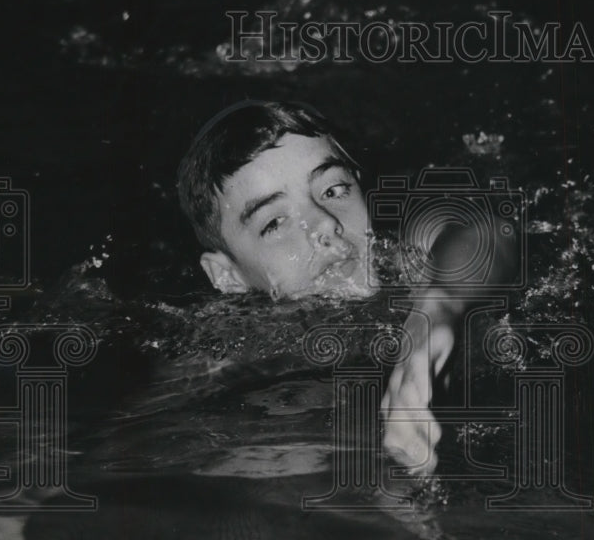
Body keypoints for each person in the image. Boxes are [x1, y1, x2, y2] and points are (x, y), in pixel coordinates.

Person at [177, 99, 512, 473]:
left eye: (334, 190)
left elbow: (488, 232)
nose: (324, 224)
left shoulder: (407, 270)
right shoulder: (221, 354)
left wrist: (439, 308)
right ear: (227, 276)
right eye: (274, 223)